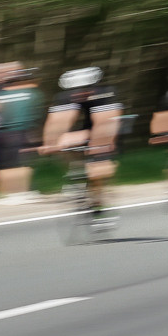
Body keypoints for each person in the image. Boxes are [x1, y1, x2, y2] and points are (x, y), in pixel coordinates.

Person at [42, 66, 121, 224]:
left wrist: (100, 144)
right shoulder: (65, 97)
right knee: (64, 141)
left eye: (84, 89)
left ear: (93, 86)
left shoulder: (105, 94)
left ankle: (98, 201)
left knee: (98, 167)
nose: (79, 93)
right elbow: (56, 123)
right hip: (85, 128)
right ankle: (75, 173)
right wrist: (50, 143)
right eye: (74, 90)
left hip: (105, 126)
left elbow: (105, 123)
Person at [0, 66, 44, 202]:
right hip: (24, 131)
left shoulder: (1, 94)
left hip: (3, 133)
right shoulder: (33, 93)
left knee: (7, 163)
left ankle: (6, 193)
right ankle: (24, 192)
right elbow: (36, 114)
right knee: (24, 162)